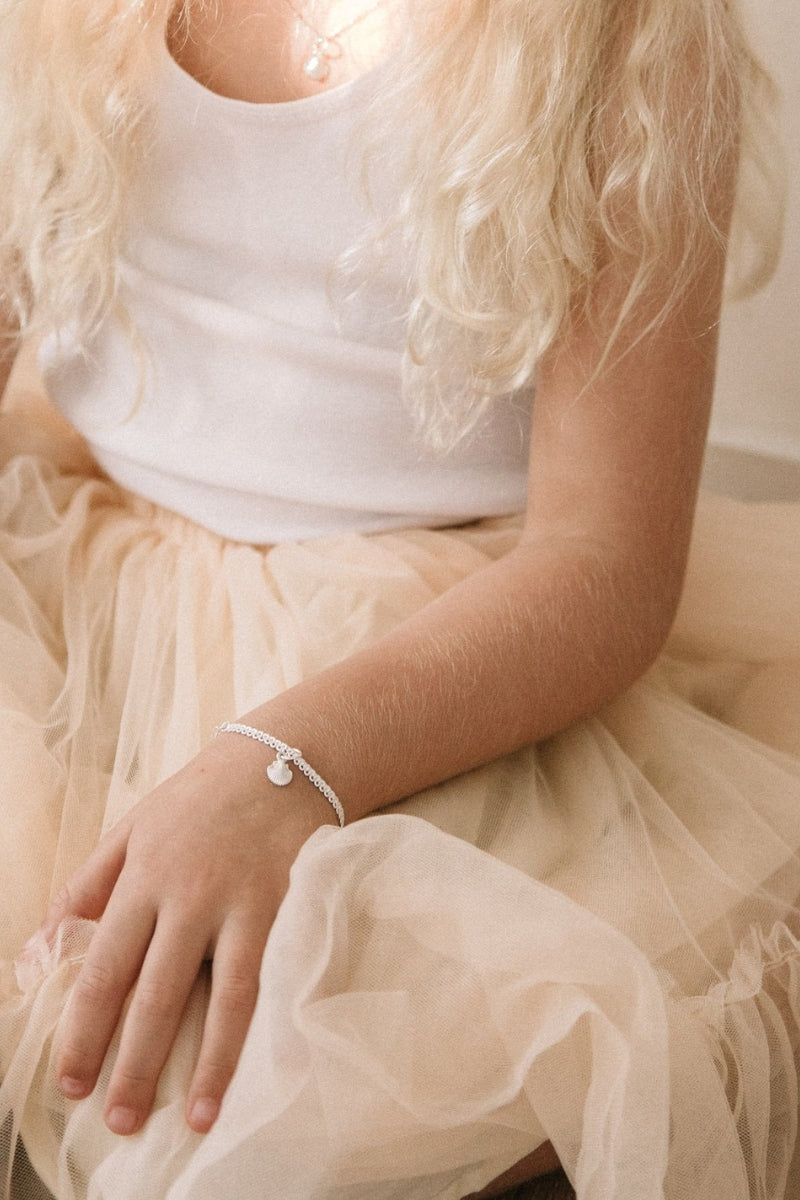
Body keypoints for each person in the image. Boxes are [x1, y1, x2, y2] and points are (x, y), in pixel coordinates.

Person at [0, 1, 798, 1197]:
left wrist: (272, 768)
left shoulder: (620, 35)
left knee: (255, 1104)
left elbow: (603, 564)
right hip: (81, 549)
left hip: (423, 644)